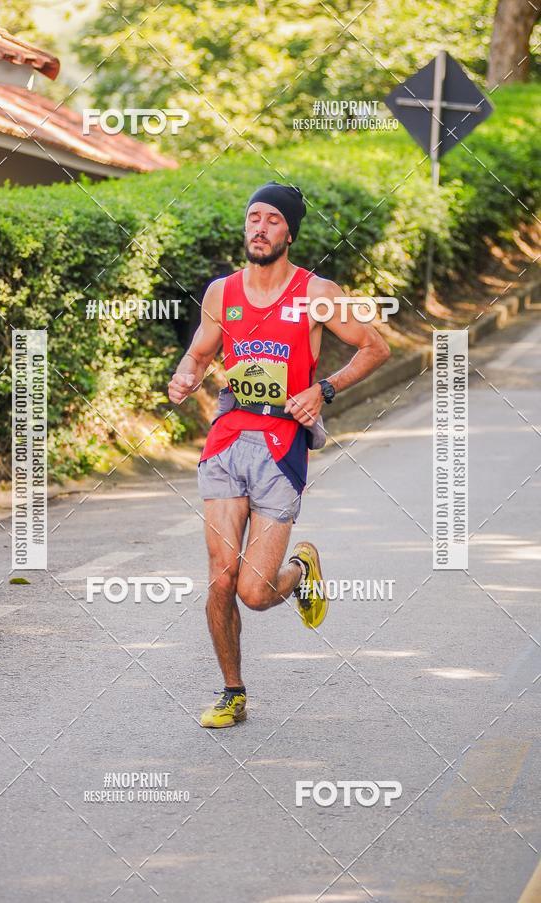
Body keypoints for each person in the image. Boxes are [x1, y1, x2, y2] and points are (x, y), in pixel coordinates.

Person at [168, 181, 390, 728]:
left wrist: (325, 390)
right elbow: (199, 354)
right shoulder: (223, 292)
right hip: (226, 438)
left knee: (255, 592)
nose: (259, 228)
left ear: (289, 232)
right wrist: (185, 377)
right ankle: (232, 692)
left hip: (282, 444)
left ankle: (301, 567)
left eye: (271, 219)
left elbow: (375, 345)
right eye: (253, 217)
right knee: (221, 578)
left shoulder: (317, 292)